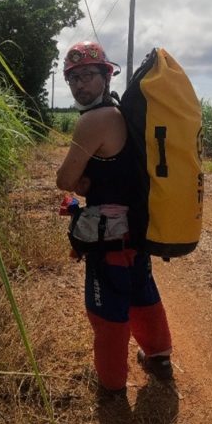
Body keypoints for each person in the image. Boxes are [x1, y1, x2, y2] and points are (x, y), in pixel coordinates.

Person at [55, 40, 174, 396]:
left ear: (106, 77)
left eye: (88, 75)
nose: (80, 85)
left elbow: (64, 180)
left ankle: (111, 383)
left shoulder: (94, 120)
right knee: (143, 295)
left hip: (108, 238)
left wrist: (82, 181)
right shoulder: (122, 113)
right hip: (136, 230)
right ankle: (159, 356)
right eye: (73, 78)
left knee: (106, 311)